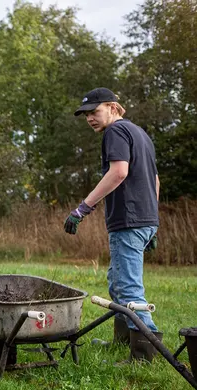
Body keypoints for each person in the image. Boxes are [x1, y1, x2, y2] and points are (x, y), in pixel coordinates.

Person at [66, 88, 160, 363]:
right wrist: (153, 221)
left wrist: (83, 208)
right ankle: (123, 341)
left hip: (129, 220)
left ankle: (144, 354)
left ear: (113, 107)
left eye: (94, 112)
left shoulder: (115, 133)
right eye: (86, 115)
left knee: (129, 288)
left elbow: (118, 172)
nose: (90, 119)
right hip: (143, 219)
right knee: (117, 283)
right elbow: (155, 181)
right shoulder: (140, 134)